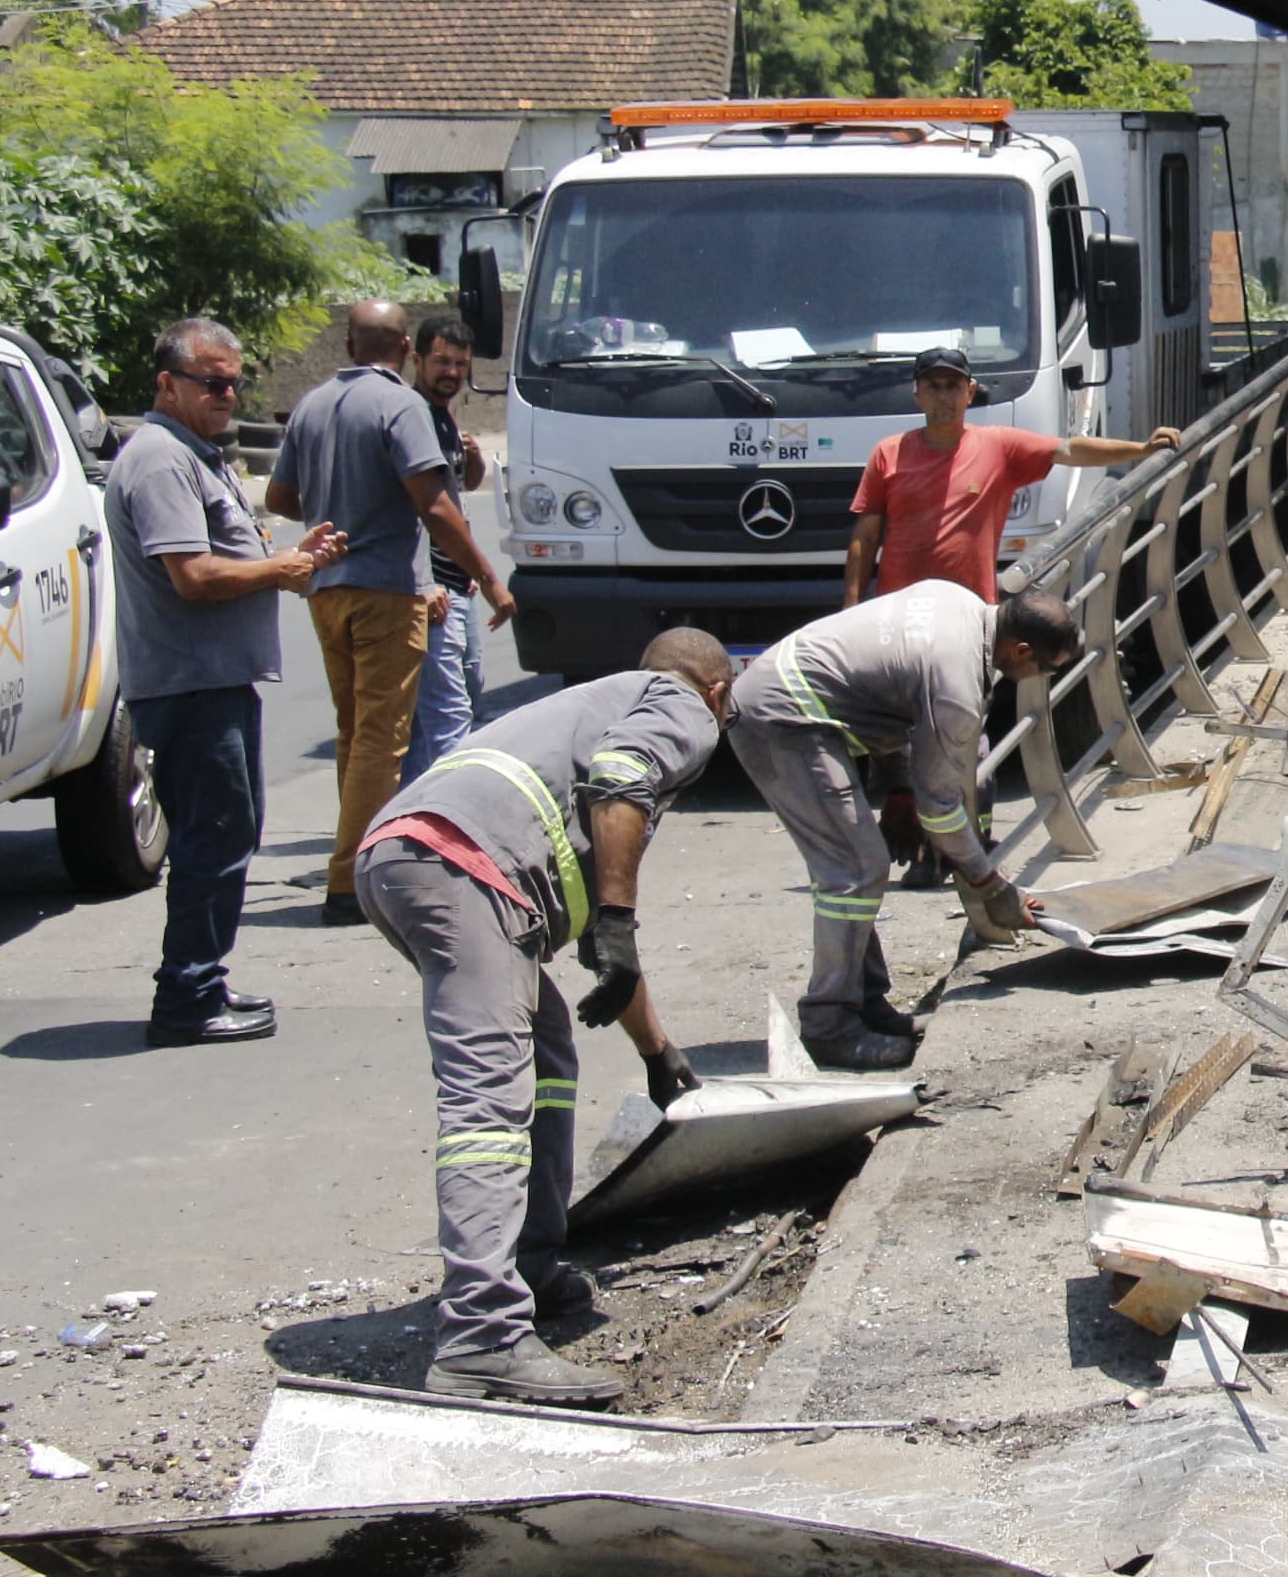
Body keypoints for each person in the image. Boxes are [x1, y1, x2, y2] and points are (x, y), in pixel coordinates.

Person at [355, 629, 733, 1407]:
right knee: (485, 1099)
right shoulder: (684, 705)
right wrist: (621, 923)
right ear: (719, 692)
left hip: (410, 859)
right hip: (462, 869)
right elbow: (623, 781)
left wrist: (656, 1051)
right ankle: (482, 1338)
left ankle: (528, 1262)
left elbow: (604, 945)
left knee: (550, 1046)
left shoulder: (589, 711)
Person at [106, 319, 346, 1047]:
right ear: (168, 384)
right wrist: (280, 571)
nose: (227, 393)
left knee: (228, 835)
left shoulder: (192, 456)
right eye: (212, 382)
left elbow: (224, 554)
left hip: (215, 681)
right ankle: (185, 997)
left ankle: (203, 979)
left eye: (234, 381)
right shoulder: (158, 461)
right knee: (213, 840)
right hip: (188, 686)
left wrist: (287, 556)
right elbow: (195, 575)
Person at [731, 580, 1079, 1070]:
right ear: (1020, 649)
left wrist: (897, 791)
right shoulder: (957, 682)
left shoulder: (959, 603)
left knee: (859, 863)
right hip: (781, 715)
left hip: (794, 694)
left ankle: (864, 1002)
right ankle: (829, 1025)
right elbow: (940, 806)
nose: (1038, 677)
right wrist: (989, 883)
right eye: (1043, 668)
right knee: (855, 867)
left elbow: (885, 690)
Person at [267, 302, 516, 927]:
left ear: (350, 344)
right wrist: (488, 579)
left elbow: (279, 496)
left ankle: (356, 865)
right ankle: (352, 882)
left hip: (328, 590)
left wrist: (339, 504)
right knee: (385, 739)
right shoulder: (400, 406)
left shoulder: (313, 404)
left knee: (356, 735)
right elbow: (433, 504)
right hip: (387, 592)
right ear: (405, 347)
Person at [843, 346, 1182, 607]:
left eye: (953, 386)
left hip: (970, 609)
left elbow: (1071, 449)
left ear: (970, 392)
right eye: (933, 387)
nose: (943, 396)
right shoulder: (888, 453)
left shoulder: (999, 446)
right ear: (917, 394)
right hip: (898, 607)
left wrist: (1142, 448)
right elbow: (865, 539)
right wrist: (852, 608)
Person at [401, 316, 492, 783]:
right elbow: (428, 511)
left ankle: (416, 805)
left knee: (465, 693)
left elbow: (458, 489)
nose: (451, 372)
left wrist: (472, 460)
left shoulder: (442, 418)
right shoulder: (411, 415)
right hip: (434, 588)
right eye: (440, 361)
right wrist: (427, 582)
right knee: (448, 712)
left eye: (459, 363)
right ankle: (441, 812)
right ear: (416, 359)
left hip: (458, 583)